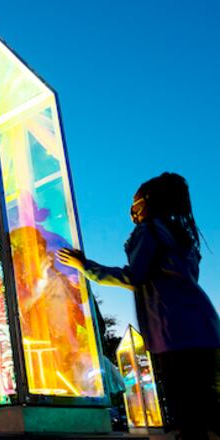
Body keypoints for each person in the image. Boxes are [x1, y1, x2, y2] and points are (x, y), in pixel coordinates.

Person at [57, 172, 220, 440]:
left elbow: (134, 276)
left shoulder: (149, 231)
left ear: (147, 201)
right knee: (204, 403)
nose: (132, 209)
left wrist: (85, 266)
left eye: (135, 202)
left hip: (173, 326)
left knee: (186, 408)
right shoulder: (182, 236)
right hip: (203, 324)